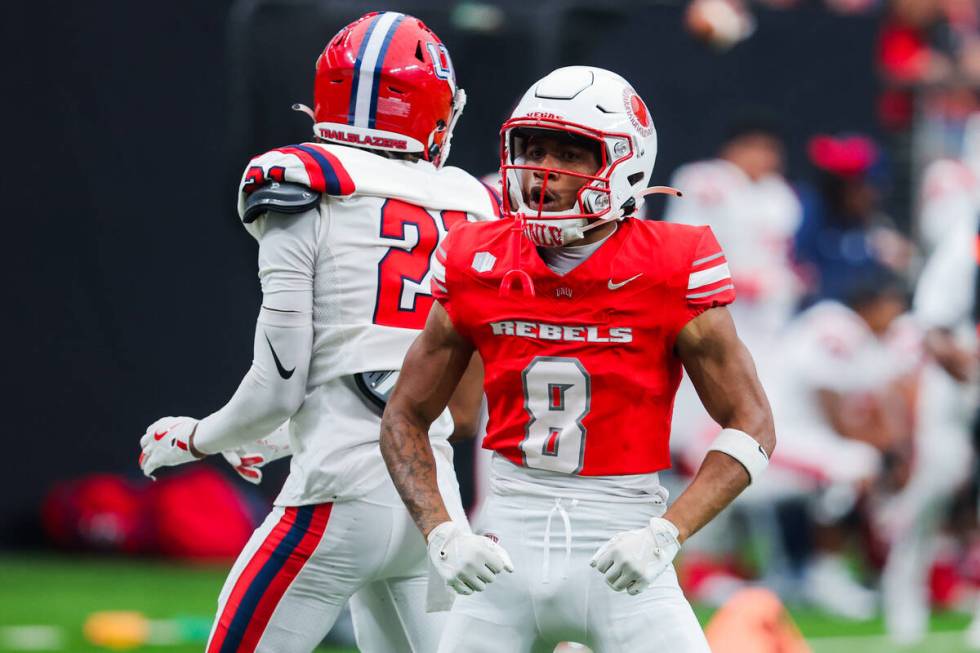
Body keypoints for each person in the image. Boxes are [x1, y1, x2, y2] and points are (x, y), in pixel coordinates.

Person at [136, 12, 500, 652]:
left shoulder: (300, 180)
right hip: (432, 503)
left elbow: (281, 384)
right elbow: (404, 380)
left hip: (336, 498)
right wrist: (279, 438)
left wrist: (196, 438)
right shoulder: (469, 202)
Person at [380, 65, 775, 652]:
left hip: (622, 543)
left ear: (624, 163)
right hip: (503, 549)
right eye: (532, 149)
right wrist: (443, 534)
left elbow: (754, 425)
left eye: (568, 154)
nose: (542, 172)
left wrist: (667, 535)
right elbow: (404, 416)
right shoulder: (473, 257)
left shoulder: (673, 262)